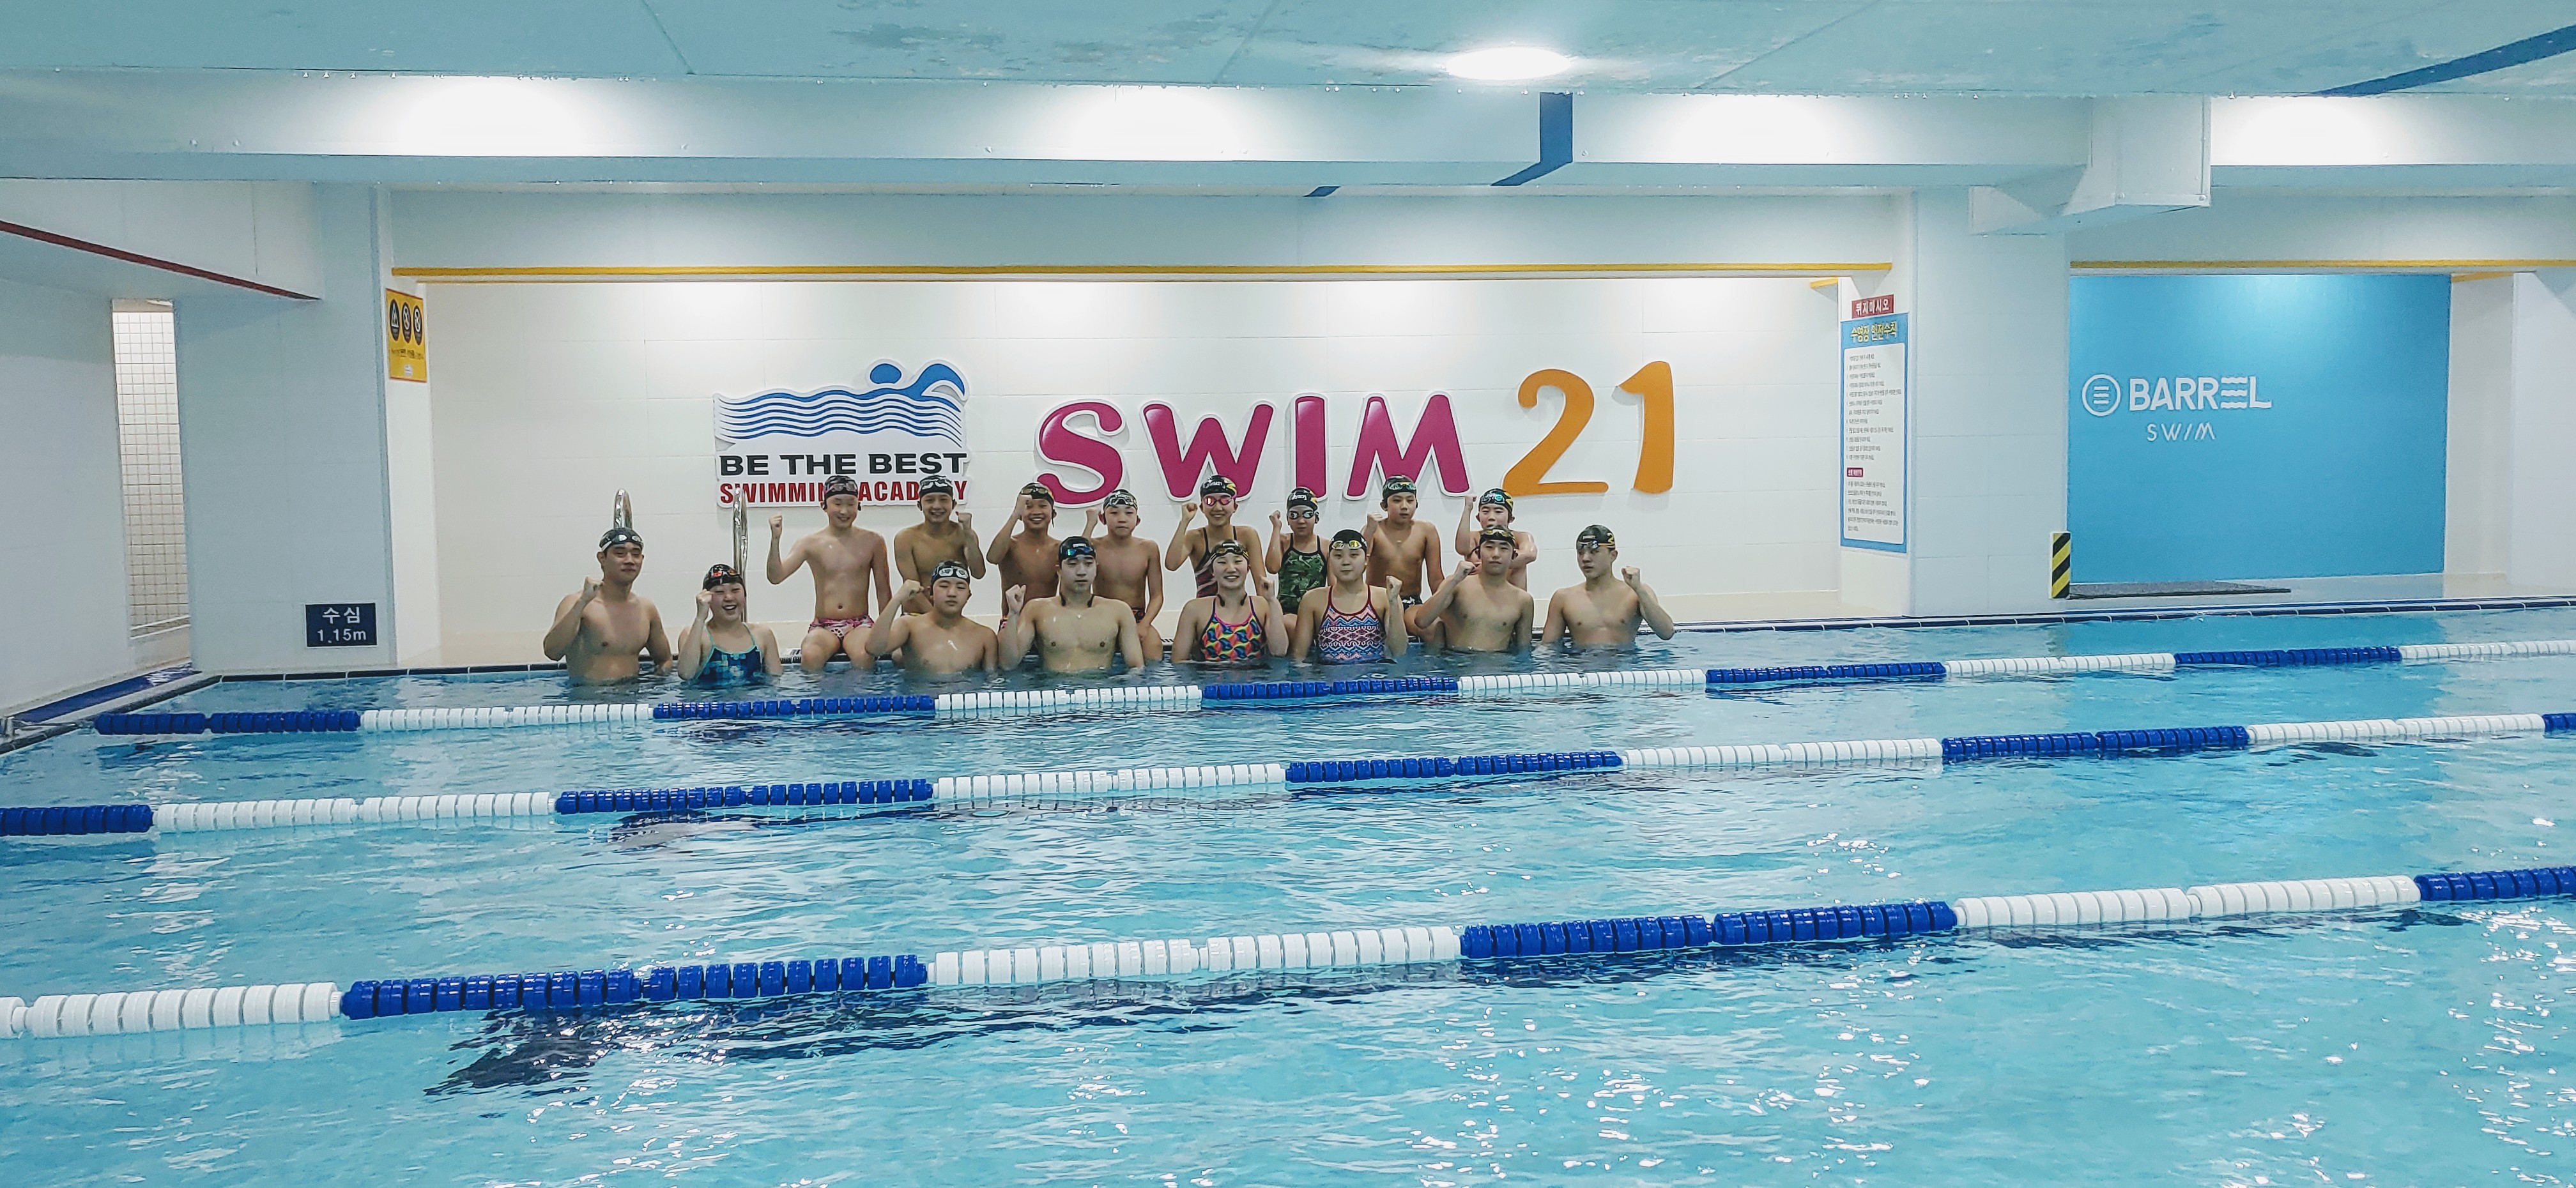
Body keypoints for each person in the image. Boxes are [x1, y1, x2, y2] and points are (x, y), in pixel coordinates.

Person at [768, 474, 894, 673]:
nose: (844, 511)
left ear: (859, 506)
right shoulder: (810, 543)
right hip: (824, 626)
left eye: (851, 504)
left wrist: (887, 631)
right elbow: (776, 577)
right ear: (824, 506)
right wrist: (775, 540)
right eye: (838, 503)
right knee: (811, 656)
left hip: (859, 624)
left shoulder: (873, 542)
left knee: (864, 656)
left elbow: (883, 591)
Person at [543, 526, 673, 683]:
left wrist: (655, 686)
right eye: (620, 553)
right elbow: (552, 652)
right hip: (589, 696)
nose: (630, 560)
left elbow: (665, 660)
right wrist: (582, 603)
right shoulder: (577, 603)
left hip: (633, 695)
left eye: (636, 554)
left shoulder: (646, 609)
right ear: (602, 558)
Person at [999, 537, 1144, 674]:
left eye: (1088, 564)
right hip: (1054, 688)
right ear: (1059, 570)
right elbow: (1008, 664)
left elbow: (1136, 668)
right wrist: (1013, 614)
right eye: (1072, 564)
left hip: (1100, 687)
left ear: (1096, 568)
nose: (1081, 572)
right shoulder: (1036, 610)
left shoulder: (1119, 611)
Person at [1542, 524, 1678, 648]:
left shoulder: (1635, 594)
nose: (1585, 559)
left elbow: (1667, 633)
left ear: (1613, 556)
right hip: (1582, 664)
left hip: (1624, 664)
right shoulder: (1564, 598)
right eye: (1580, 553)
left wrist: (1639, 590)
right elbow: (1548, 649)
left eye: (1594, 552)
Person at [864, 560, 1001, 674]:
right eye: (944, 586)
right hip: (920, 698)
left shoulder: (985, 636)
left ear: (968, 596)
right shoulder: (909, 626)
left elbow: (992, 682)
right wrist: (897, 600)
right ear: (931, 593)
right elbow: (874, 649)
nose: (952, 593)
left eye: (960, 587)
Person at [1290, 529, 1406, 664]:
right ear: (1330, 560)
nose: (1346, 562)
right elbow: (1299, 658)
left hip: (1374, 675)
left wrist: (1393, 603)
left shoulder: (1385, 598)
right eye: (1338, 556)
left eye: (1354, 555)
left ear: (1366, 560)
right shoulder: (1313, 600)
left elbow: (1399, 651)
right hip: (1329, 675)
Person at [1416, 526, 1535, 653]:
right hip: (1458, 662)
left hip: (1499, 663)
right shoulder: (1458, 585)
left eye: (1504, 549)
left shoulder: (1523, 600)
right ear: (1479, 553)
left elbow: (1524, 651)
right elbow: (1422, 621)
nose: (1496, 554)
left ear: (1514, 555)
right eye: (1489, 547)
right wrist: (1454, 580)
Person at [1173, 539, 1285, 664]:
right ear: (1212, 571)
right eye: (1222, 562)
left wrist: (1272, 600)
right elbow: (1179, 662)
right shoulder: (1194, 610)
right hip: (1210, 674)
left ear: (1248, 568)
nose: (1231, 569)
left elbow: (1279, 652)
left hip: (1255, 675)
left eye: (1238, 561)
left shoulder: (1264, 605)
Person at [1085, 489, 1167, 659]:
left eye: (1129, 513)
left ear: (1137, 520)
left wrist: (1145, 624)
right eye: (1114, 513)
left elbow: (1157, 596)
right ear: (1103, 519)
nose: (1122, 519)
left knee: (1154, 647)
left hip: (1136, 618)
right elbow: (1078, 558)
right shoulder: (1093, 546)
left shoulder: (1149, 548)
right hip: (1102, 617)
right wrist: (1090, 525)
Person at [1363, 475, 1445, 636]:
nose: (1404, 506)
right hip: (1378, 602)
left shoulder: (1427, 531)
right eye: (1397, 500)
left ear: (1417, 504)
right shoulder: (1374, 530)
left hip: (1411, 603)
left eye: (1410, 500)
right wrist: (1369, 531)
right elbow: (1358, 566)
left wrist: (1446, 610)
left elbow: (1436, 579)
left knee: (1435, 629)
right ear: (1384, 505)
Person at [675, 564, 783, 685]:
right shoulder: (695, 635)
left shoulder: (763, 635)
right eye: (720, 592)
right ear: (707, 598)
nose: (729, 597)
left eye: (735, 590)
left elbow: (775, 682)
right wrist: (700, 618)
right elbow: (686, 674)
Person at [891, 475, 983, 616]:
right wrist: (936, 620)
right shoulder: (906, 539)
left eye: (943, 500)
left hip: (950, 617)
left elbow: (978, 573)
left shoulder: (964, 535)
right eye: (930, 500)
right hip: (915, 615)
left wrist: (969, 535)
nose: (937, 506)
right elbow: (913, 588)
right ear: (919, 505)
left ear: (953, 504)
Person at [1165, 475, 1266, 600]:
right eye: (1210, 501)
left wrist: (1266, 610)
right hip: (1205, 610)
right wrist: (1184, 522)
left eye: (1225, 500)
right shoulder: (1195, 538)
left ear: (1235, 506)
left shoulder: (1247, 536)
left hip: (1238, 609)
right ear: (1202, 507)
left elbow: (1261, 583)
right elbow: (1171, 565)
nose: (1217, 508)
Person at [1266, 485, 1328, 638]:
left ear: (1316, 518)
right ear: (1288, 519)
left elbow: (1333, 587)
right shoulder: (1283, 542)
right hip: (1285, 613)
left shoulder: (1326, 547)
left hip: (1315, 612)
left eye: (1307, 514)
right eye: (1294, 515)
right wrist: (1276, 528)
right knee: (1291, 624)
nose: (1301, 521)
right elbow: (1272, 568)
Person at [987, 482, 1062, 606]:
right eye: (1029, 506)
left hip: (1046, 617)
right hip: (1013, 617)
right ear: (1021, 514)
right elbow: (992, 558)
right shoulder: (1010, 545)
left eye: (1042, 506)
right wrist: (1015, 515)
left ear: (1053, 514)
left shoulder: (1059, 549)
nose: (1036, 511)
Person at [1452, 488, 1536, 590]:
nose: (1491, 517)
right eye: (1485, 512)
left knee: (1519, 559)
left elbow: (1530, 555)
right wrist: (1467, 509)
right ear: (1478, 518)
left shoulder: (1520, 537)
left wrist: (1488, 567)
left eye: (1498, 512)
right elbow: (1462, 549)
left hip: (1511, 597)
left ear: (1510, 518)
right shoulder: (1474, 537)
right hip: (1477, 596)